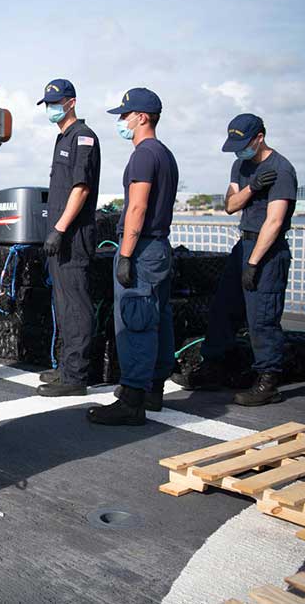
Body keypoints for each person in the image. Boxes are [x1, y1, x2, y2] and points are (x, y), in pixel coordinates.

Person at [180, 114, 297, 406]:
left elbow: (274, 221)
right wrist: (253, 186)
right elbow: (231, 205)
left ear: (259, 138)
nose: (238, 151)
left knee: (262, 317)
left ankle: (268, 381)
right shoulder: (240, 165)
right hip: (242, 245)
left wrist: (254, 262)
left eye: (243, 144)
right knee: (223, 308)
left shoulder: (282, 170)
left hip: (267, 250)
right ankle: (213, 367)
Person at [88, 88, 178, 425]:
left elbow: (138, 205)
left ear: (142, 117)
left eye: (126, 115)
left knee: (136, 320)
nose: (122, 121)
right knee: (158, 318)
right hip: (159, 248)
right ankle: (154, 389)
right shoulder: (165, 154)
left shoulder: (143, 155)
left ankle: (132, 399)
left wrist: (125, 254)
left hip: (141, 249)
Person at [33, 79, 102, 397]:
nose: (50, 108)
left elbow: (81, 188)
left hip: (73, 236)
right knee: (63, 304)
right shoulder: (64, 137)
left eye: (55, 102)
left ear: (71, 102)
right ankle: (66, 366)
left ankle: (76, 376)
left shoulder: (83, 137)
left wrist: (60, 229)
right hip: (61, 234)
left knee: (75, 304)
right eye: (47, 103)